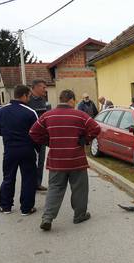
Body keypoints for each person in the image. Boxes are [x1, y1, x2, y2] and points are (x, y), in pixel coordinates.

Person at [29, 89, 101, 231]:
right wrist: (85, 139)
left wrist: (48, 141)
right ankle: (79, 215)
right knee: (79, 189)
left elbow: (33, 133)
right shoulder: (80, 115)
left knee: (55, 189)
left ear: (60, 99)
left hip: (56, 160)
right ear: (72, 100)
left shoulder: (47, 116)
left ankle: (47, 217)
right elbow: (96, 128)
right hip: (76, 159)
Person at [0, 85, 38, 216]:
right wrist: (37, 149)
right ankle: (26, 208)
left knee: (8, 177)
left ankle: (6, 206)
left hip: (10, 149)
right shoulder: (30, 112)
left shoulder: (1, 110)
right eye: (29, 96)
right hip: (27, 149)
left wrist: (7, 134)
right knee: (28, 178)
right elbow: (37, 133)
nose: (29, 98)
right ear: (24, 95)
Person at [27, 79, 50, 191]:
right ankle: (30, 183)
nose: (45, 90)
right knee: (30, 161)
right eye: (43, 87)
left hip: (42, 137)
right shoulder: (27, 100)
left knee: (41, 161)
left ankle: (38, 183)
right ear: (35, 87)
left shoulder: (44, 100)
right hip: (29, 137)